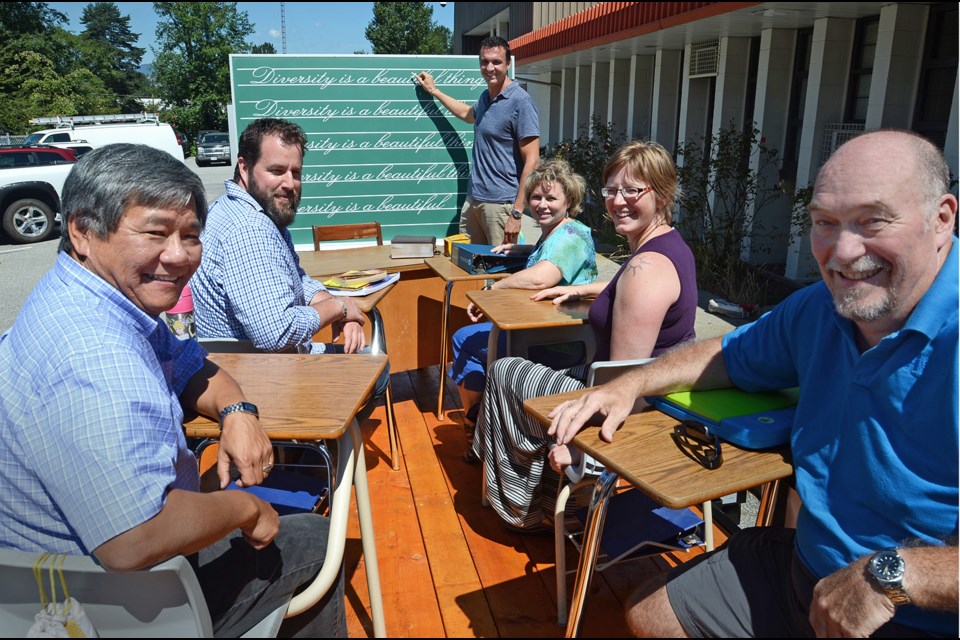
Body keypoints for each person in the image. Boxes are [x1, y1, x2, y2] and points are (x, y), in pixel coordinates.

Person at [548, 130, 959, 637]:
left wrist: (897, 576)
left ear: (942, 219)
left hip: (916, 615)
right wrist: (628, 385)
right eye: (824, 223)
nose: (843, 251)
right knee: (652, 610)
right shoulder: (819, 309)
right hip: (803, 572)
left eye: (872, 220)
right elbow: (728, 352)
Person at [0, 144, 345, 637]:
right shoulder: (95, 355)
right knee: (315, 538)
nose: (179, 257)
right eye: (156, 233)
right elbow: (133, 540)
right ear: (82, 230)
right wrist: (246, 510)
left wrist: (238, 411)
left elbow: (193, 367)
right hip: (105, 609)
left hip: (54, 582)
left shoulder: (93, 298)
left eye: (191, 236)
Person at [473, 140, 698, 532]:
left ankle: (530, 508)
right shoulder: (666, 248)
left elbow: (621, 381)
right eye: (612, 190)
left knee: (504, 370)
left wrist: (579, 452)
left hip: (638, 406)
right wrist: (580, 289)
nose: (618, 201)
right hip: (654, 389)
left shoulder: (646, 269)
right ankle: (519, 479)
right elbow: (628, 287)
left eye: (632, 190)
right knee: (533, 365)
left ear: (662, 194)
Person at [190, 117, 387, 421]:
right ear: (244, 167)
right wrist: (339, 308)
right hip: (260, 380)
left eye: (296, 173)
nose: (290, 183)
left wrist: (330, 303)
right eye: (276, 171)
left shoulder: (242, 209)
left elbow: (296, 277)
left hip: (239, 367)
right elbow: (275, 333)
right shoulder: (250, 228)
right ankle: (314, 459)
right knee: (378, 369)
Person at [450, 158, 598, 460]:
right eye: (536, 197)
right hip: (544, 328)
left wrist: (494, 288)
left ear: (569, 200)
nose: (541, 204)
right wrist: (526, 249)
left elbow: (543, 276)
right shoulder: (557, 232)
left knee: (466, 340)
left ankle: (477, 425)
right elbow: (551, 258)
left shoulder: (571, 235)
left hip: (558, 342)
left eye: (551, 197)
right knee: (471, 338)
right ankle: (481, 424)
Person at [417, 35, 540, 245]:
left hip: (500, 205)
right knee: (468, 268)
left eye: (496, 62)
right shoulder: (485, 98)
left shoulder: (520, 102)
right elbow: (467, 114)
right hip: (473, 201)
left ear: (508, 64)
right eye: (484, 62)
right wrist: (434, 91)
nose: (489, 68)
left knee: (501, 272)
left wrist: (517, 213)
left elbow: (532, 161)